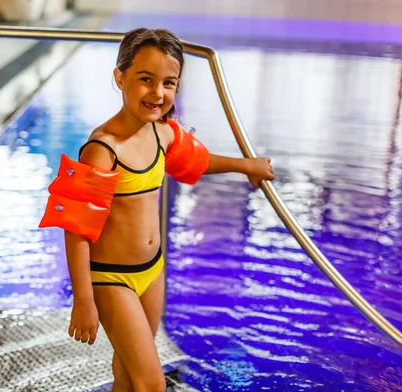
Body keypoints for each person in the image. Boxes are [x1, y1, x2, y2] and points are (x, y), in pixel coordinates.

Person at [39, 28, 275, 392]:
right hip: (112, 278)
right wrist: (83, 301)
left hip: (151, 272)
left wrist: (247, 166)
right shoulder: (103, 149)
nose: (157, 93)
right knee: (152, 383)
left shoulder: (161, 133)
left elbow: (197, 160)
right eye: (145, 80)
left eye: (169, 83)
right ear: (120, 78)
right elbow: (76, 229)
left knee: (128, 372)